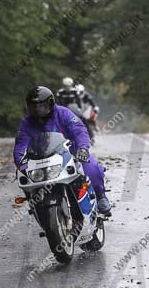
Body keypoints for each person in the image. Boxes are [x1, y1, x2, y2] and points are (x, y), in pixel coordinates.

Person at [14, 86, 111, 215]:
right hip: (42, 161)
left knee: (91, 167)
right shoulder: (26, 123)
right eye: (34, 107)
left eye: (41, 106)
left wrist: (82, 148)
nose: (38, 110)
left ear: (51, 103)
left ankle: (100, 197)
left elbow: (79, 129)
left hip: (72, 153)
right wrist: (21, 162)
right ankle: (35, 202)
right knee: (24, 175)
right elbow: (21, 145)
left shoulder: (63, 113)